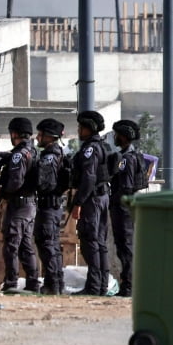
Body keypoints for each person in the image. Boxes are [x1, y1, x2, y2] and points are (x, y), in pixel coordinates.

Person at [0, 117, 39, 292]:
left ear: (14, 134)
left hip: (19, 206)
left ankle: (11, 282)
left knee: (11, 244)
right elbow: (10, 156)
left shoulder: (19, 155)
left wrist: (0, 192)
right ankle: (33, 283)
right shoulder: (31, 150)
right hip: (29, 205)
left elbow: (16, 182)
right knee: (26, 245)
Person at [109, 119, 153, 298]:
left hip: (123, 208)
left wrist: (116, 201)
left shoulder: (126, 159)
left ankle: (129, 286)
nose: (115, 138)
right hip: (127, 207)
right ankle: (128, 284)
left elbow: (125, 187)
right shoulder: (134, 156)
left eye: (117, 135)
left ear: (124, 137)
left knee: (125, 247)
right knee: (125, 247)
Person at [69, 110, 111, 296]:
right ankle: (101, 285)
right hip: (102, 197)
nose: (79, 130)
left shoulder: (90, 149)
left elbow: (88, 177)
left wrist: (78, 203)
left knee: (90, 242)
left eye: (81, 127)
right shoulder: (103, 146)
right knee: (99, 242)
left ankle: (94, 287)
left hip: (92, 199)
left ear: (89, 129)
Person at [33, 118, 69, 295]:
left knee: (48, 245)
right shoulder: (57, 153)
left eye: (40, 135)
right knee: (51, 245)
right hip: (52, 207)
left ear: (49, 137)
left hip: (48, 206)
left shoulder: (48, 157)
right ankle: (54, 282)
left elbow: (44, 183)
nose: (37, 137)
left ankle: (53, 284)